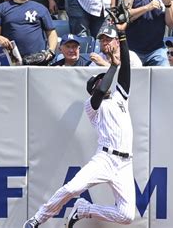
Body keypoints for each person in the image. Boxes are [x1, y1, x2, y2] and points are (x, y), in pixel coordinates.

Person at [23, 21, 135, 228]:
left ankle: (85, 209)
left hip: (125, 163)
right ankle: (38, 218)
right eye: (100, 81)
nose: (104, 82)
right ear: (93, 88)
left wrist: (122, 35)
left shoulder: (120, 97)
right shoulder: (92, 105)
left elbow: (126, 69)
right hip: (105, 158)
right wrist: (113, 65)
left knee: (127, 216)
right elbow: (101, 91)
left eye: (105, 79)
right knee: (71, 189)